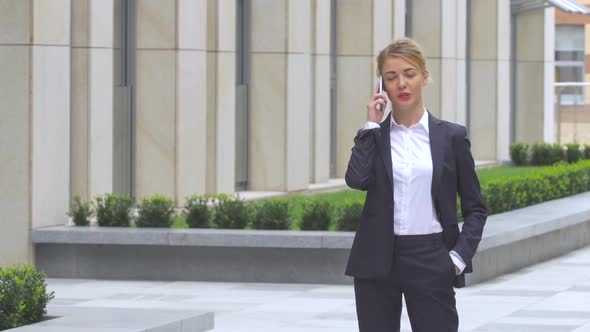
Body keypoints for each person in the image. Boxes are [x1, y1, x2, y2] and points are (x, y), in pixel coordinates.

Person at [344, 38, 487, 332]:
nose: (401, 84)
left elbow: (476, 209)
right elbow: (356, 179)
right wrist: (371, 124)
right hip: (376, 257)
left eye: (409, 74)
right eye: (391, 77)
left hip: (431, 256)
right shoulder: (376, 137)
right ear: (382, 85)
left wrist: (457, 259)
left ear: (424, 76)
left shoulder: (452, 137)